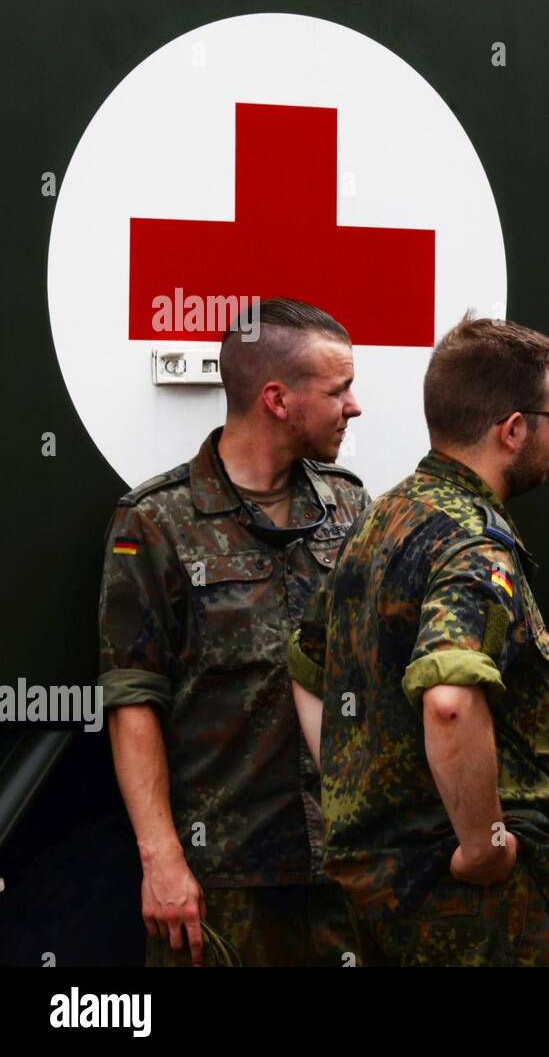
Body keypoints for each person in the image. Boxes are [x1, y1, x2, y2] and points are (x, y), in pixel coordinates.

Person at [289, 314, 549, 966]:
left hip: (382, 893)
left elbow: (307, 667)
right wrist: (482, 844)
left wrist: (356, 788)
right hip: (475, 912)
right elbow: (450, 699)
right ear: (514, 430)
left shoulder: (381, 521)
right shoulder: (471, 546)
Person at [98, 298, 368, 966]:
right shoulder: (157, 521)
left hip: (342, 874)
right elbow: (133, 700)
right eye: (339, 391)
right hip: (223, 881)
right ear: (277, 399)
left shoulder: (351, 506)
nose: (354, 406)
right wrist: (162, 861)